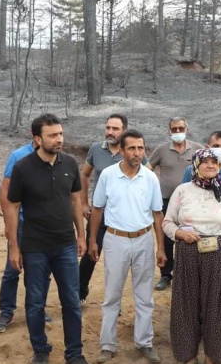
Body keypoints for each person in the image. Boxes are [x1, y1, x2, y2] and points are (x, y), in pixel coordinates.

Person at [5, 113, 88, 364]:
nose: (59, 139)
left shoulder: (70, 163)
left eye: (60, 134)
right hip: (34, 247)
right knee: (35, 303)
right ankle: (40, 351)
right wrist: (14, 247)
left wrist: (81, 235)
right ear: (37, 139)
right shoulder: (22, 168)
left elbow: (75, 200)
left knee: (71, 302)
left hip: (65, 245)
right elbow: (13, 207)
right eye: (52, 135)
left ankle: (74, 353)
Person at [88, 129, 167, 364]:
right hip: (115, 239)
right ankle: (107, 344)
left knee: (144, 295)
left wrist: (160, 247)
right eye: (132, 148)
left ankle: (144, 342)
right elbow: (97, 209)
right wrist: (93, 241)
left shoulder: (150, 178)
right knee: (112, 295)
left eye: (140, 148)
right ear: (121, 150)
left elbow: (157, 214)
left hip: (144, 239)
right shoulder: (108, 175)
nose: (137, 153)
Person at [163, 148, 221, 364]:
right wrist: (180, 233)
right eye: (205, 162)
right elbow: (167, 222)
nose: (210, 165)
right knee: (186, 307)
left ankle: (213, 358)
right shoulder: (182, 191)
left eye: (214, 162)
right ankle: (188, 357)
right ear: (196, 166)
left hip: (220, 256)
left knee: (218, 310)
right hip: (188, 255)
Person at [79, 113, 147, 306]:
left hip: (124, 218)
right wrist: (84, 203)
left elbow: (148, 175)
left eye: (115, 129)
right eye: (108, 127)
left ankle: (114, 302)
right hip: (100, 214)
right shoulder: (96, 149)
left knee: (119, 261)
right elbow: (84, 175)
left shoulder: (133, 151)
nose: (110, 132)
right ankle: (79, 292)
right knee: (90, 254)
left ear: (124, 131)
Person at [0, 138, 52, 332]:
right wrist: (8, 222)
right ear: (37, 137)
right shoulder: (18, 156)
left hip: (43, 224)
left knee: (42, 270)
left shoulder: (55, 157)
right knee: (12, 268)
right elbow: (6, 190)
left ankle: (37, 308)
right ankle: (6, 311)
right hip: (21, 222)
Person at [148, 117, 203, 291]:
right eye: (174, 129)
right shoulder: (161, 150)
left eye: (181, 128)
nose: (178, 132)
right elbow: (147, 169)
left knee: (190, 237)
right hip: (165, 201)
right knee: (166, 237)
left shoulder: (198, 149)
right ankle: (166, 274)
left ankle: (188, 274)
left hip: (191, 203)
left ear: (187, 130)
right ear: (169, 131)